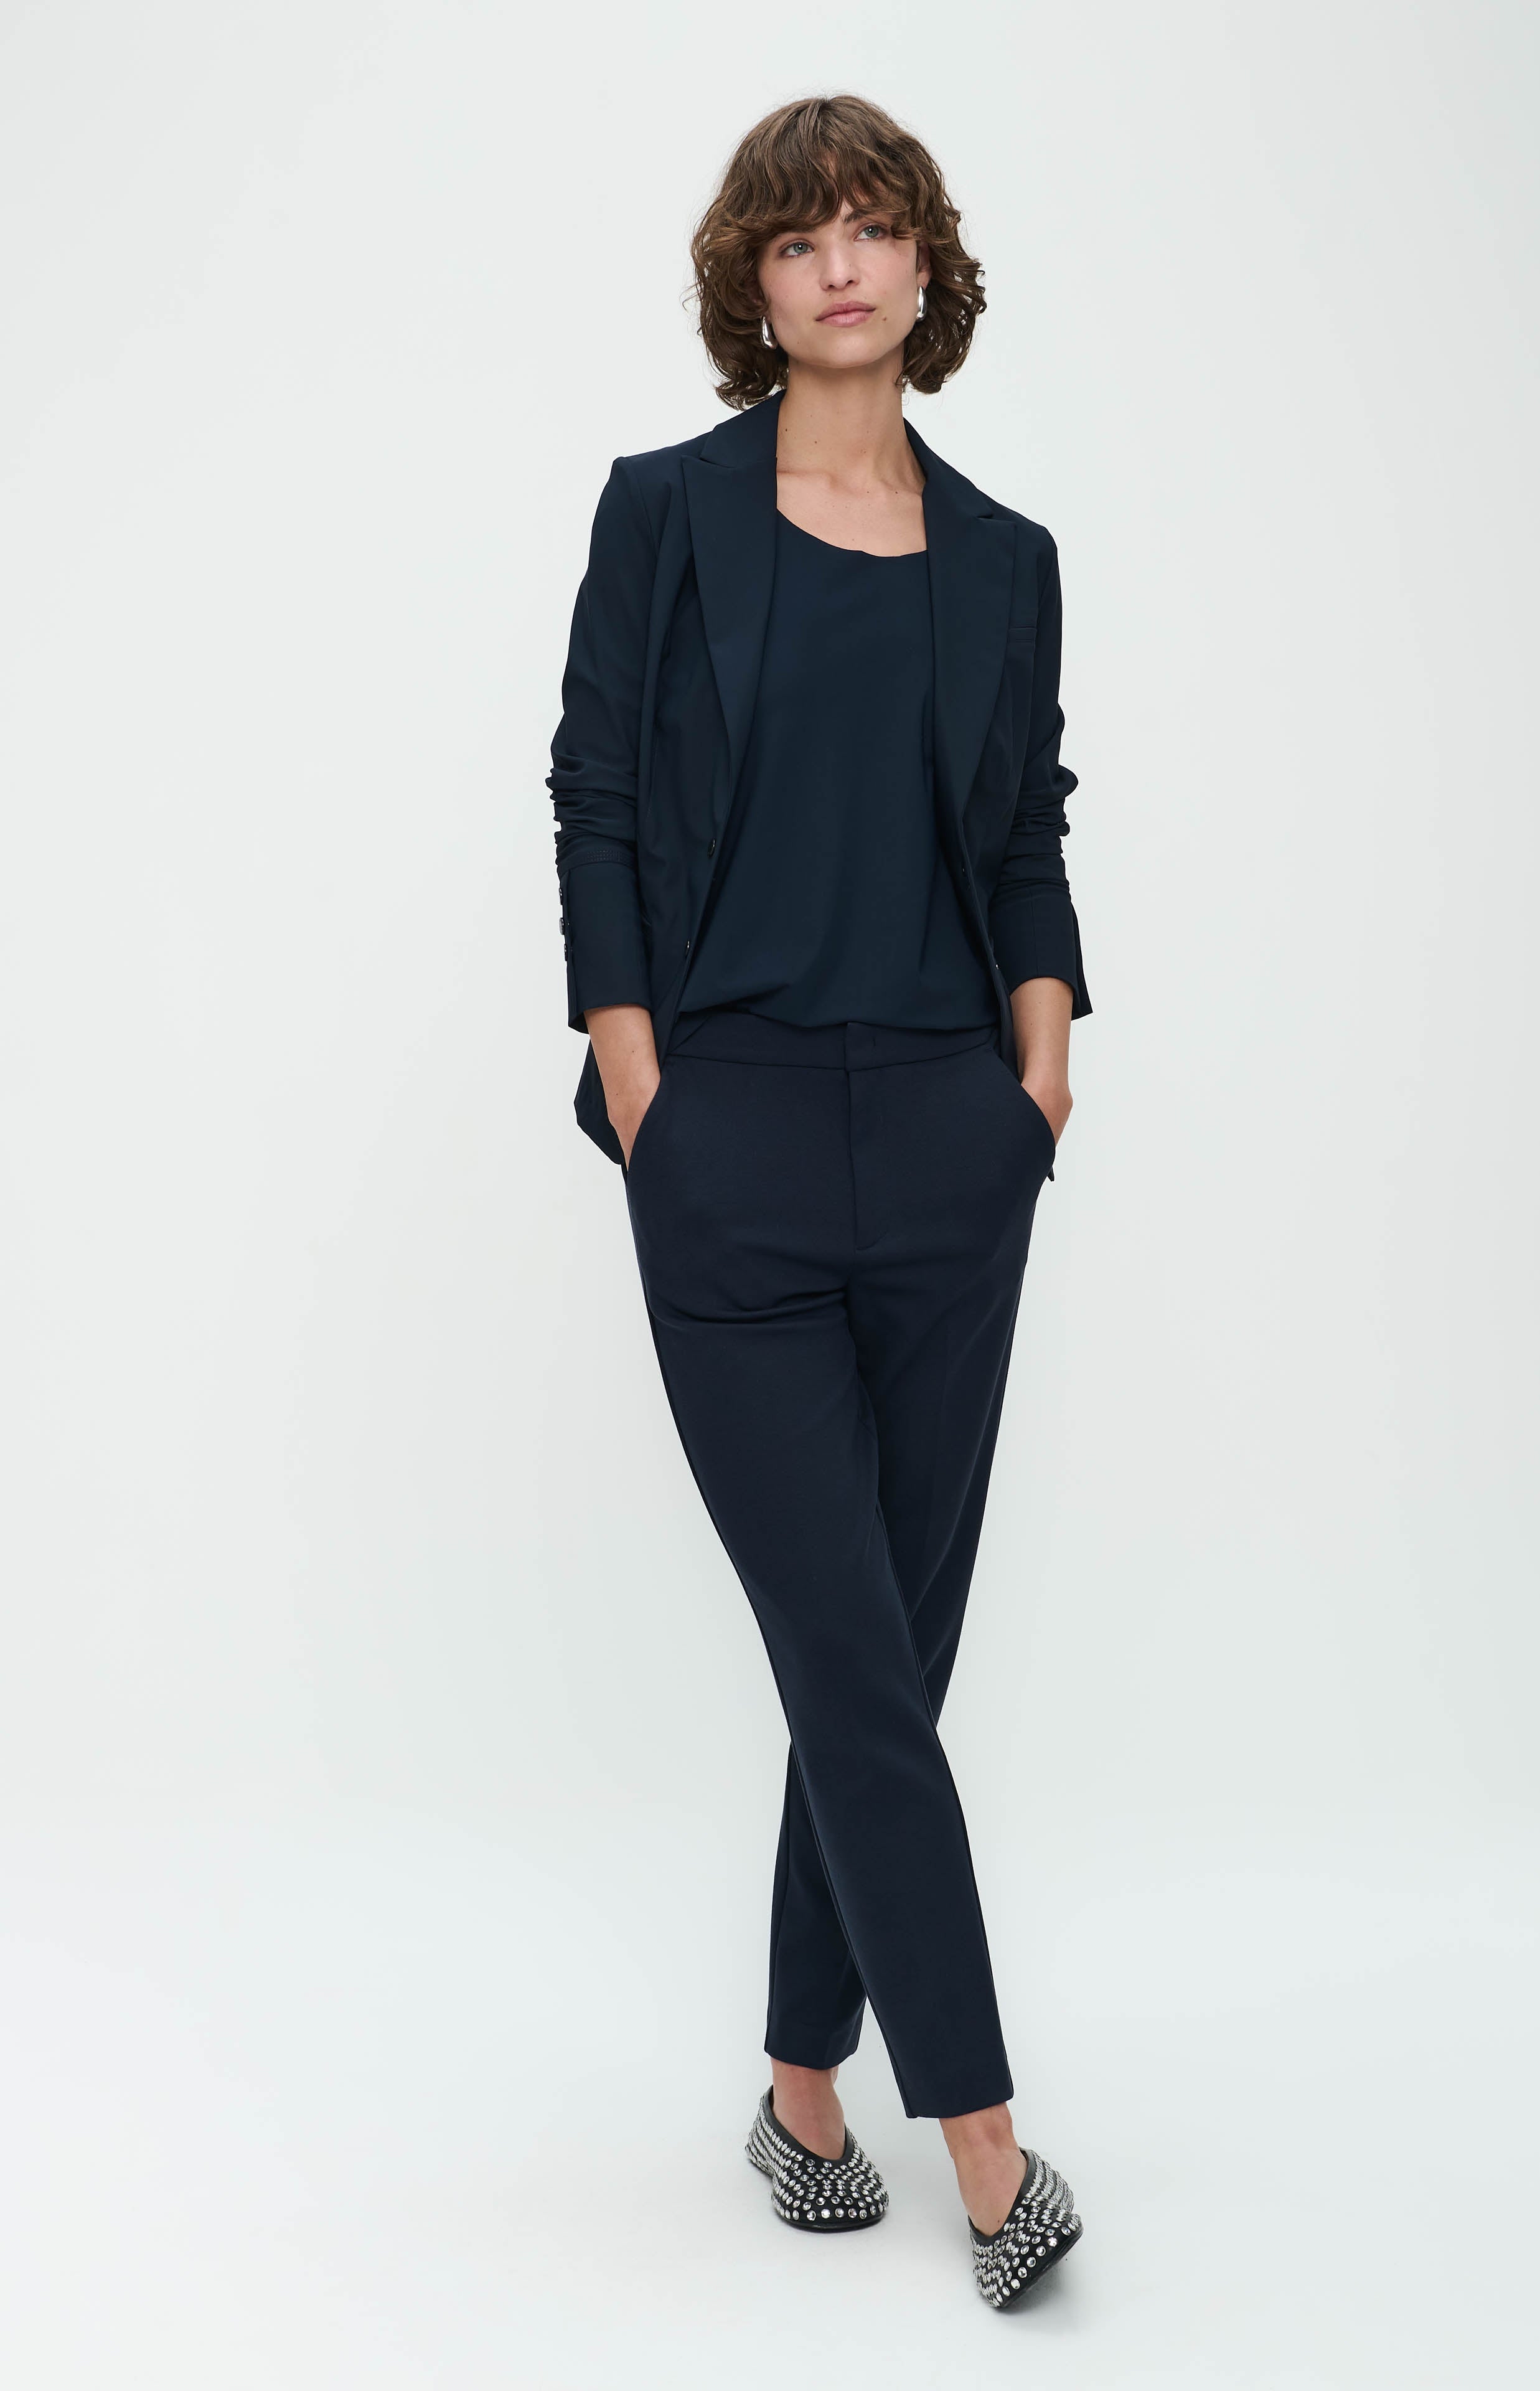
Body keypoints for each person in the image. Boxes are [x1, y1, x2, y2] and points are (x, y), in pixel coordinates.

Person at [545, 93, 1090, 2310]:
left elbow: (1026, 829)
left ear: (925, 268)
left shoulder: (1008, 559)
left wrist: (1040, 1075)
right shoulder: (665, 516)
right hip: (736, 1145)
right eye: (797, 237)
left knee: (882, 1657)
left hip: (953, 1143)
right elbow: (594, 798)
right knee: (858, 1663)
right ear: (751, 286)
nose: (839, 265)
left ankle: (798, 2088)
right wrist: (644, 1097)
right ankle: (988, 2140)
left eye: (872, 229)